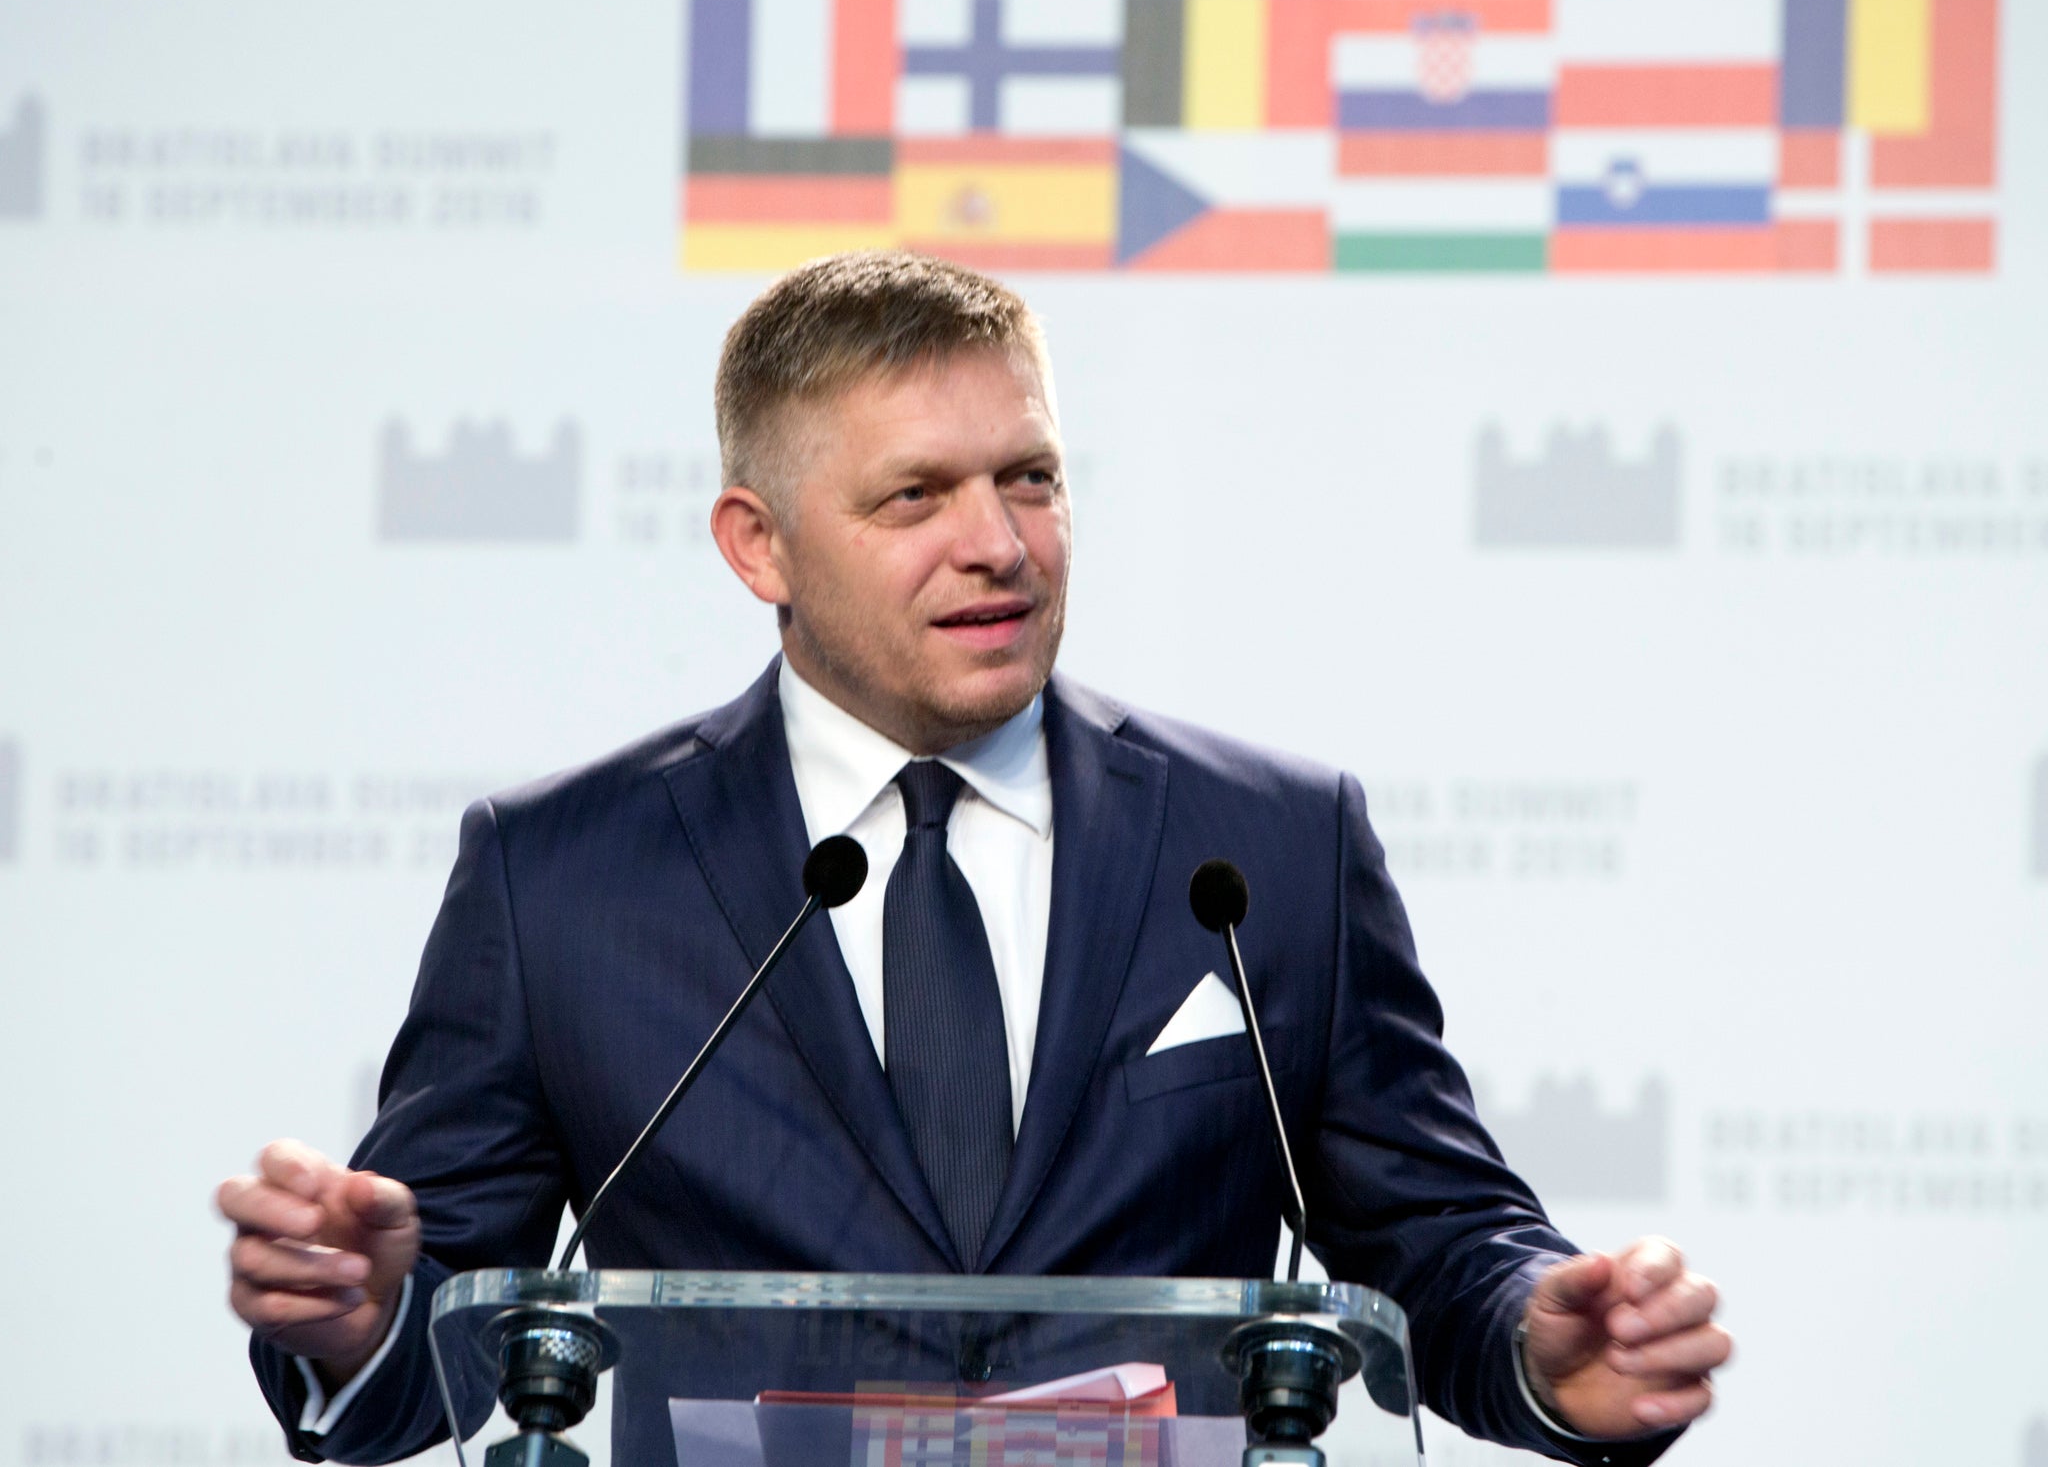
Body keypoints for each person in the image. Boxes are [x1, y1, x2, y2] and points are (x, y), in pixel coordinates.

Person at [218, 251, 1730, 1464]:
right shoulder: (559, 880)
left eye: (1030, 477)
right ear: (759, 544)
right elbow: (432, 1342)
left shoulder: (1270, 843)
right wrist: (356, 1324)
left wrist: (1543, 1338)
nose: (999, 543)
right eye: (915, 496)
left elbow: (1433, 1231)